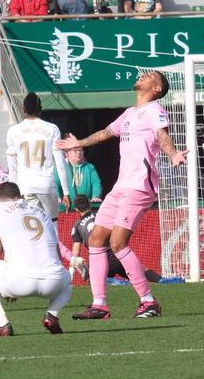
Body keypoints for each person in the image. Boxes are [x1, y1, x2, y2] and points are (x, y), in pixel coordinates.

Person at [55, 71, 187, 320]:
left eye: (150, 75)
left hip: (139, 186)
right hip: (120, 187)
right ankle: (100, 305)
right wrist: (79, 143)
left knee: (117, 243)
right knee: (96, 239)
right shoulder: (129, 113)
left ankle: (149, 302)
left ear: (157, 88)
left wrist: (173, 154)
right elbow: (106, 132)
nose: (142, 74)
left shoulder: (155, 109)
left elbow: (162, 135)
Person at [0, 182, 74, 337]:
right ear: (20, 197)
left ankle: (2, 324)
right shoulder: (41, 211)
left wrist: (1, 285)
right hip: (53, 281)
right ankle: (52, 314)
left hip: (19, 282)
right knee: (67, 280)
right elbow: (56, 253)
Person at [6, 92, 73, 263]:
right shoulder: (52, 129)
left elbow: (12, 167)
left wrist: (14, 192)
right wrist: (66, 191)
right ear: (40, 109)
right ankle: (57, 264)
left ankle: (35, 265)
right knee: (52, 225)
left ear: (23, 109)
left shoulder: (13, 131)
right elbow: (60, 164)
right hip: (46, 185)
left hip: (25, 186)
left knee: (31, 227)